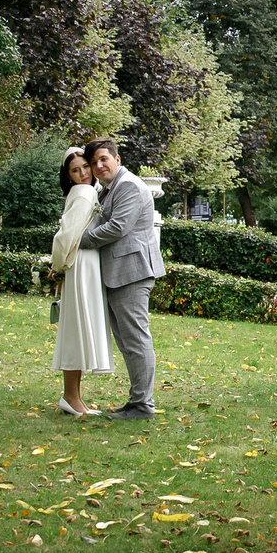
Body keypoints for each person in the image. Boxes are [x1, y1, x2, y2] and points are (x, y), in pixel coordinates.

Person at [80, 139, 164, 418]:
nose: (99, 166)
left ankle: (142, 405)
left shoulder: (128, 185)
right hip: (121, 273)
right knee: (128, 340)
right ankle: (137, 400)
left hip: (133, 273)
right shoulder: (110, 188)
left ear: (117, 158)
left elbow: (117, 228)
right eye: (94, 163)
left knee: (135, 339)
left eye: (104, 159)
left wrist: (79, 241)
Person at [47, 148, 114, 416]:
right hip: (81, 264)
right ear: (68, 175)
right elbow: (66, 236)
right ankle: (71, 398)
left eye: (86, 166)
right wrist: (58, 266)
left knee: (77, 329)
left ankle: (73, 397)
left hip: (84, 264)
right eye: (76, 170)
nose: (84, 173)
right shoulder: (85, 193)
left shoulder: (87, 192)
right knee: (76, 331)